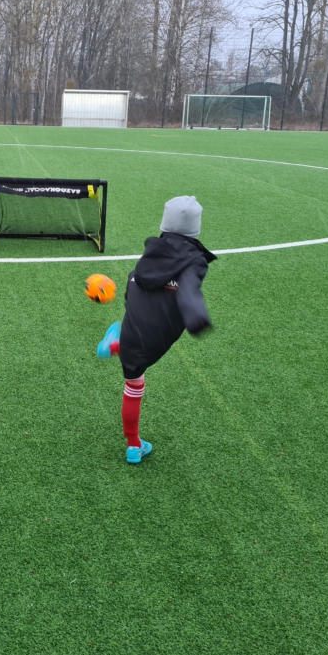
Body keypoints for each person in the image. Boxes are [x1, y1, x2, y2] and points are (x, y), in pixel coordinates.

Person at [96, 196, 216, 464]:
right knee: (137, 381)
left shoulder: (152, 251)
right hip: (158, 336)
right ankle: (134, 448)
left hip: (134, 325)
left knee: (133, 381)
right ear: (194, 229)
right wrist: (197, 317)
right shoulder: (194, 260)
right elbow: (188, 292)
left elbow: (133, 281)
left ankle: (133, 444)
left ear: (165, 223)